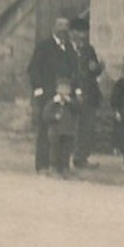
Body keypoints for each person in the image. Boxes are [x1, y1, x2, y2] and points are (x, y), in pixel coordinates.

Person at [27, 15, 79, 173]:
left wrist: (77, 90)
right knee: (46, 129)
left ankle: (62, 165)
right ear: (54, 29)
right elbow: (33, 68)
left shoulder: (70, 48)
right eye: (60, 28)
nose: (63, 31)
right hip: (48, 94)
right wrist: (38, 89)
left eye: (66, 28)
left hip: (66, 94)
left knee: (66, 130)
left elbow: (75, 71)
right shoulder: (44, 46)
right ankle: (43, 165)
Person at [70, 22, 105, 168]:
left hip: (89, 93)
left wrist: (98, 68)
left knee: (87, 126)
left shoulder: (89, 50)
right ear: (72, 33)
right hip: (69, 92)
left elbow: (93, 71)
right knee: (69, 125)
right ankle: (62, 158)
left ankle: (81, 158)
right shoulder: (65, 48)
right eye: (78, 32)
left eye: (84, 33)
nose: (81, 36)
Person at [43, 78, 80, 178]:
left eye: (66, 88)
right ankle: (53, 168)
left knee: (66, 151)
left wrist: (70, 101)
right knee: (55, 150)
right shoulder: (53, 102)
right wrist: (54, 116)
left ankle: (64, 168)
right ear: (57, 89)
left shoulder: (72, 103)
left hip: (68, 131)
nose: (64, 91)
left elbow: (78, 110)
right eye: (62, 88)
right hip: (55, 131)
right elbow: (45, 115)